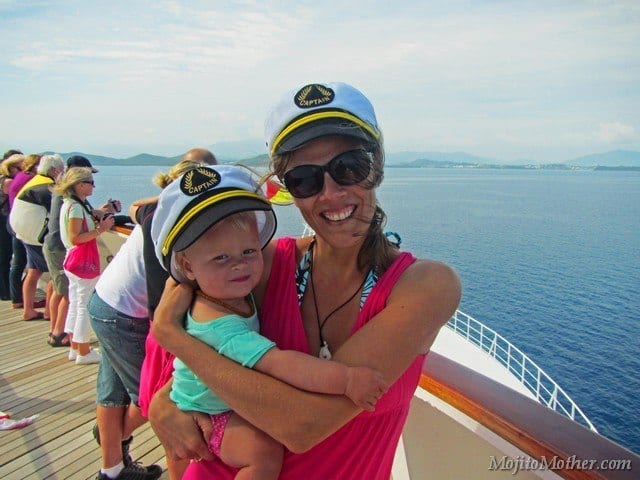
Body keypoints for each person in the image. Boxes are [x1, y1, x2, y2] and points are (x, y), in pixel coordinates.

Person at [148, 82, 462, 479]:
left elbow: (303, 427)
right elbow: (182, 350)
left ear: (377, 165)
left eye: (349, 167)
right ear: (285, 189)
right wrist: (162, 404)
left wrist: (173, 338)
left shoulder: (425, 285)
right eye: (305, 179)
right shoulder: (258, 265)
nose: (331, 193)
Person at [150, 165, 388, 479]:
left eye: (249, 250)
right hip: (214, 413)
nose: (239, 265)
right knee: (263, 455)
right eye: (221, 258)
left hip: (199, 402)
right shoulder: (222, 324)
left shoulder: (224, 293)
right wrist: (346, 380)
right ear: (187, 266)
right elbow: (280, 363)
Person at [87, 149, 216, 480]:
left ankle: (111, 467)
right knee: (158, 398)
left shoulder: (158, 207)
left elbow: (138, 206)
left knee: (113, 393)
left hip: (105, 301)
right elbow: (166, 295)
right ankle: (117, 441)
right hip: (124, 314)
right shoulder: (172, 220)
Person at [55, 167, 115, 364]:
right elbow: (76, 237)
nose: (93, 186)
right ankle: (83, 350)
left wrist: (105, 211)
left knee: (75, 302)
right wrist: (101, 230)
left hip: (72, 259)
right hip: (82, 260)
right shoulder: (76, 208)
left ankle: (75, 347)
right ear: (80, 185)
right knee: (83, 305)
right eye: (90, 182)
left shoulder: (72, 204)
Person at [9, 153, 65, 322]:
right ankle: (49, 312)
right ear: (54, 170)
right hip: (36, 235)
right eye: (62, 170)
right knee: (53, 275)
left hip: (22, 231)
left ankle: (28, 310)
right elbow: (58, 213)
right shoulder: (47, 187)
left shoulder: (33, 182)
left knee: (33, 271)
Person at [7, 153, 40, 310]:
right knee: (31, 266)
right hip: (24, 225)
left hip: (16, 222)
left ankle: (17, 298)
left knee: (18, 263)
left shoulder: (20, 177)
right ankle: (21, 301)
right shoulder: (30, 179)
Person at [0, 152, 24, 300]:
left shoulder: (3, 179)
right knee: (5, 256)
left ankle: (7, 290)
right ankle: (6, 292)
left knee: (5, 256)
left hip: (4, 218)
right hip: (4, 219)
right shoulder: (8, 182)